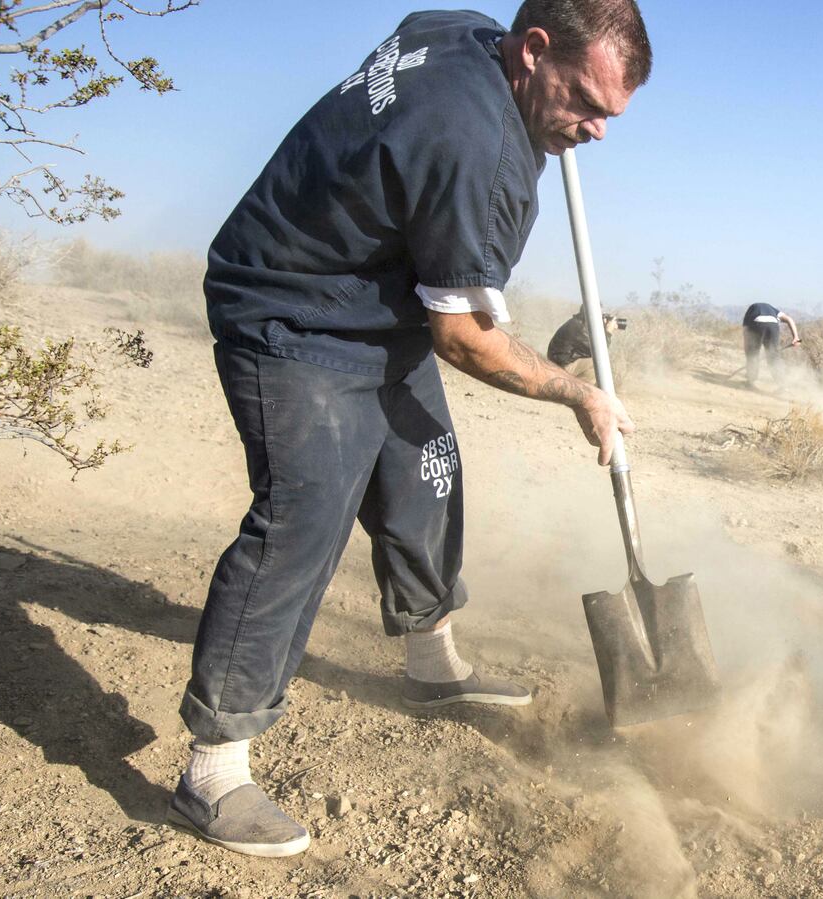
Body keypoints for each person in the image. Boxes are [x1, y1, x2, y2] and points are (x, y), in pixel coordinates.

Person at [174, 1, 651, 858]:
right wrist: (579, 393)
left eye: (609, 115)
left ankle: (434, 666)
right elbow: (464, 337)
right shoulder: (479, 148)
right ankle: (214, 767)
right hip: (290, 308)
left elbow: (413, 28)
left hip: (373, 307)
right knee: (302, 517)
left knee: (426, 473)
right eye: (585, 103)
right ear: (534, 51)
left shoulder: (462, 29)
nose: (597, 132)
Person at [740, 302, 800, 387]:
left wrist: (748, 352)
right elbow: (789, 319)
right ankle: (783, 386)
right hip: (773, 324)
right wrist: (796, 337)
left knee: (753, 354)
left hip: (757, 322)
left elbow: (746, 333)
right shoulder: (774, 311)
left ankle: (750, 382)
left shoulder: (749, 313)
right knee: (773, 357)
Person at [547, 309, 620, 374]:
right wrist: (608, 332)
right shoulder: (580, 329)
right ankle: (580, 388)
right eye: (601, 315)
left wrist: (603, 329)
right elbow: (600, 350)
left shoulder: (578, 322)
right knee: (598, 362)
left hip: (558, 362)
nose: (602, 318)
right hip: (560, 367)